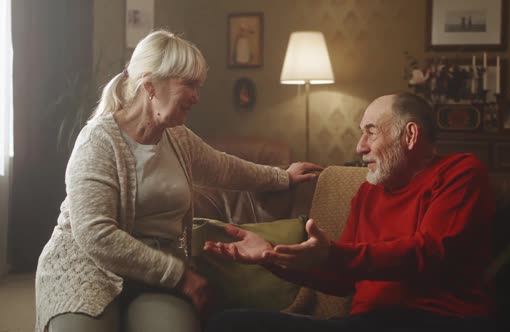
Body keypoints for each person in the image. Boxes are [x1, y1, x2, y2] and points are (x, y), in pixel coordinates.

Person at [35, 29, 322, 332]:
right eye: (189, 84)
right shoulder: (98, 142)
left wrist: (283, 177)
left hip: (157, 270)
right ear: (150, 85)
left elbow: (224, 168)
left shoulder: (177, 137)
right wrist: (180, 276)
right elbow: (96, 235)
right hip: (88, 267)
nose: (197, 97)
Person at [203, 92, 496, 332]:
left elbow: (429, 252)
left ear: (410, 135)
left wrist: (334, 254)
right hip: (364, 323)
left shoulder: (461, 172)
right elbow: (341, 280)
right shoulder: (368, 193)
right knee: (228, 324)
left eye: (371, 132)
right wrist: (271, 256)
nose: (359, 147)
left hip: (437, 320)